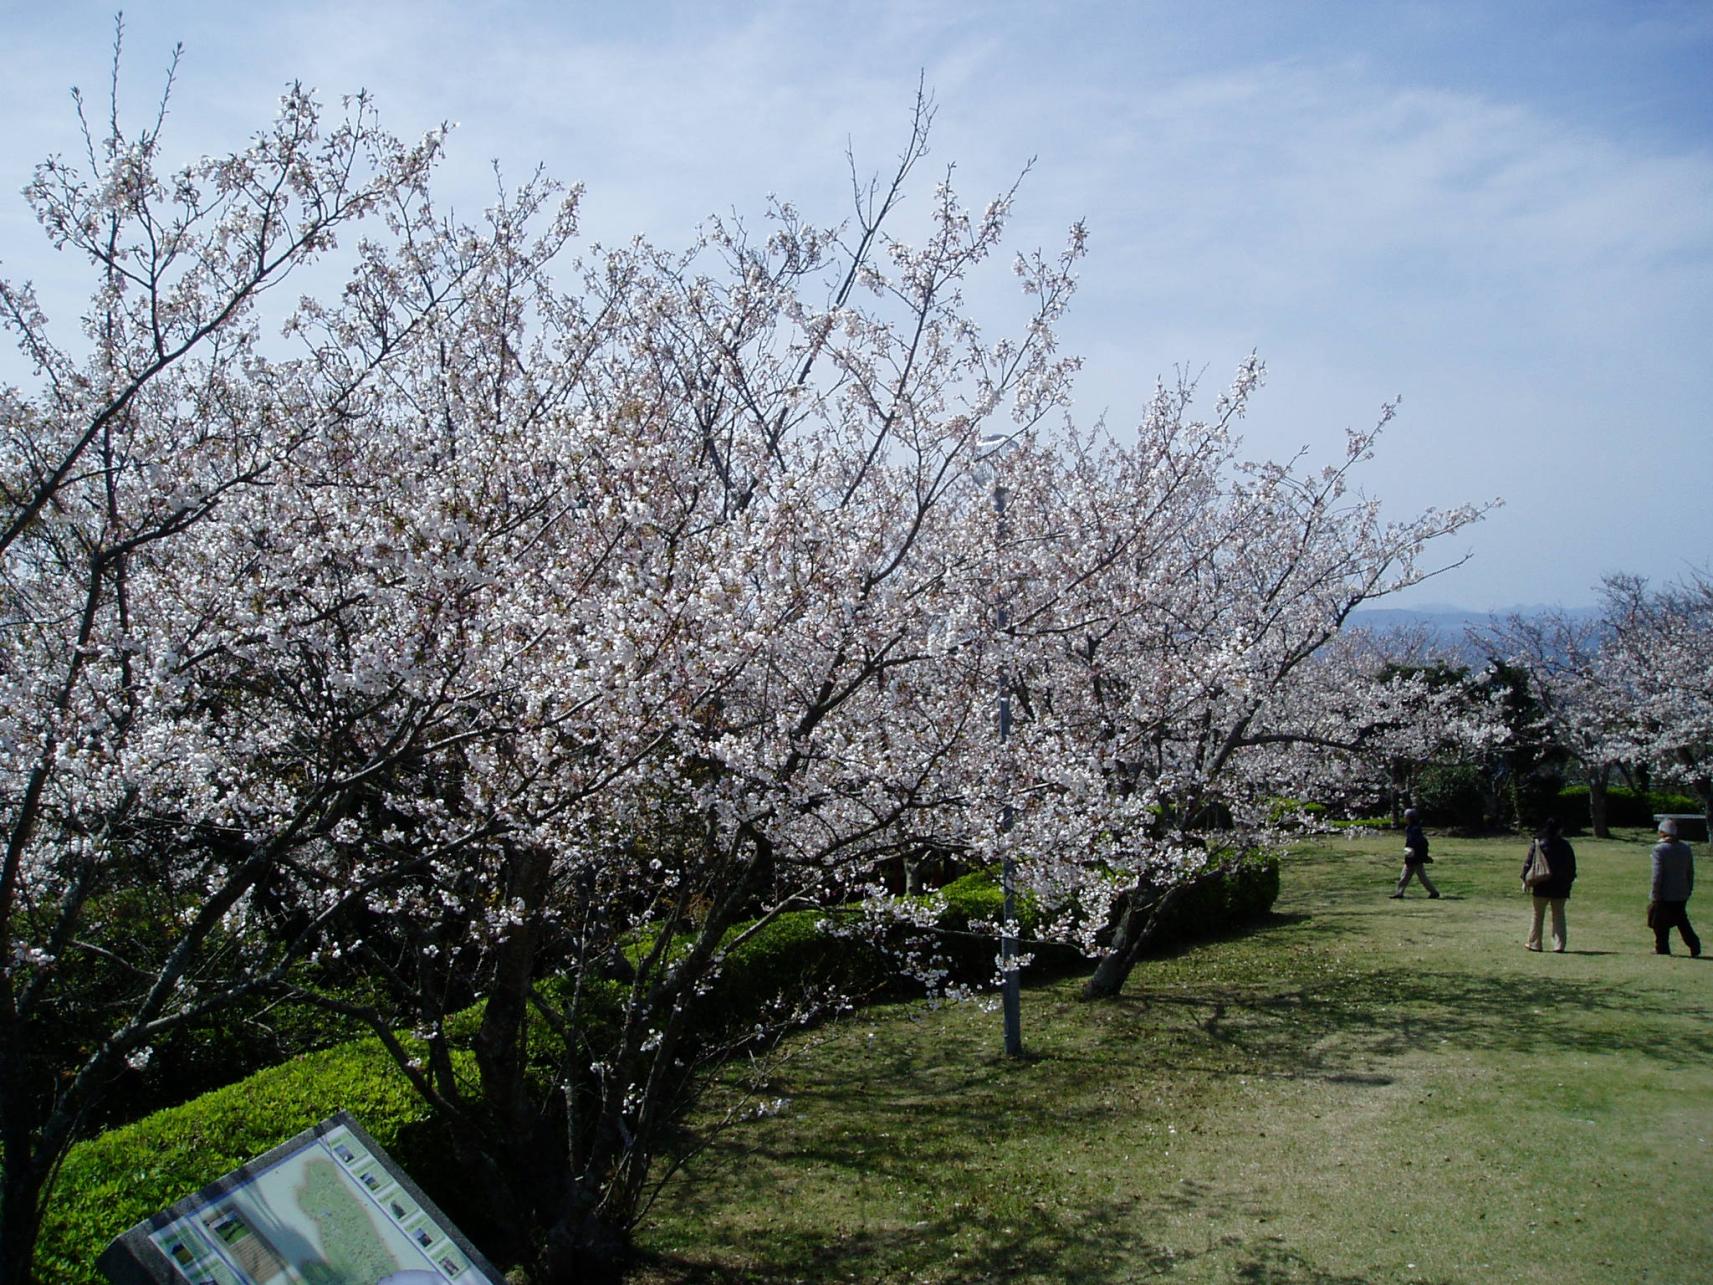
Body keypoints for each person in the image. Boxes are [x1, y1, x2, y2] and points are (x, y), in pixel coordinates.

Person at [1521, 816, 1576, 952]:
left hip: (1541, 884)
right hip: (1560, 886)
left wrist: (1524, 879)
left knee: (1537, 915)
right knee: (1559, 915)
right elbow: (1571, 867)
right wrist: (1568, 882)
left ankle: (1535, 943)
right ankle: (1559, 945)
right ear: (1560, 829)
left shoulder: (1538, 843)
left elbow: (1529, 863)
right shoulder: (1566, 846)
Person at [1648, 817, 1700, 957]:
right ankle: (1694, 944)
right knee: (1682, 920)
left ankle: (1662, 948)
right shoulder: (1685, 848)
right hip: (1682, 891)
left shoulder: (1660, 850)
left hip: (1665, 893)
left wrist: (1655, 893)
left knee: (1659, 923)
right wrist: (1689, 888)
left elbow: (1657, 874)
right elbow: (1690, 871)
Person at [1390, 807, 1439, 899]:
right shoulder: (1411, 828)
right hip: (1411, 856)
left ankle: (1434, 892)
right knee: (1405, 875)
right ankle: (1399, 893)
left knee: (1421, 877)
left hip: (1414, 857)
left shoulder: (1414, 829)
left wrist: (1421, 856)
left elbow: (1419, 843)